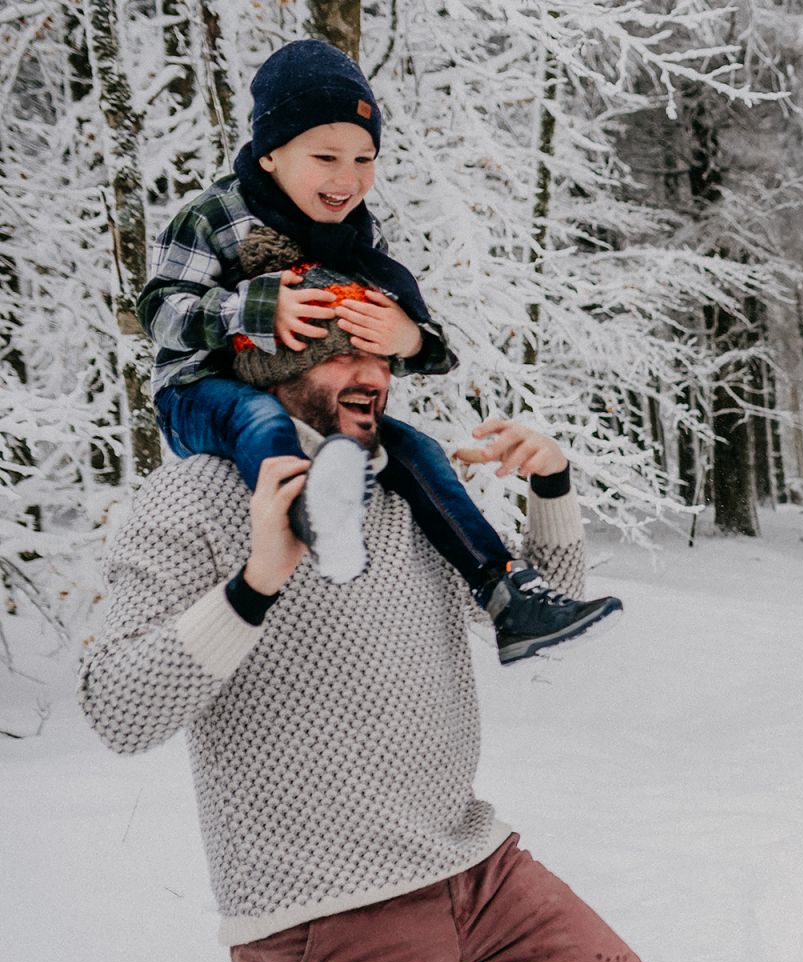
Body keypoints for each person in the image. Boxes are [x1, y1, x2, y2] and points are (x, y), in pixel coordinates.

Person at [77, 341, 702, 962]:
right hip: (322, 918)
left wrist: (552, 485)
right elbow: (117, 708)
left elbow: (547, 609)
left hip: (471, 867)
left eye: (381, 353)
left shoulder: (408, 476)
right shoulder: (191, 500)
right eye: (339, 355)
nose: (370, 374)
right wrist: (255, 583)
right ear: (263, 359)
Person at [138, 38, 619, 664]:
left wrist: (409, 339)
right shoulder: (213, 216)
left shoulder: (357, 231)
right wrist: (254, 309)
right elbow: (160, 312)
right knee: (258, 418)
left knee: (414, 449)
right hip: (200, 391)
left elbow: (400, 326)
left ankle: (505, 591)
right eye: (326, 156)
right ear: (269, 154)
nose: (349, 179)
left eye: (365, 158)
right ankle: (312, 512)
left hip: (311, 402)